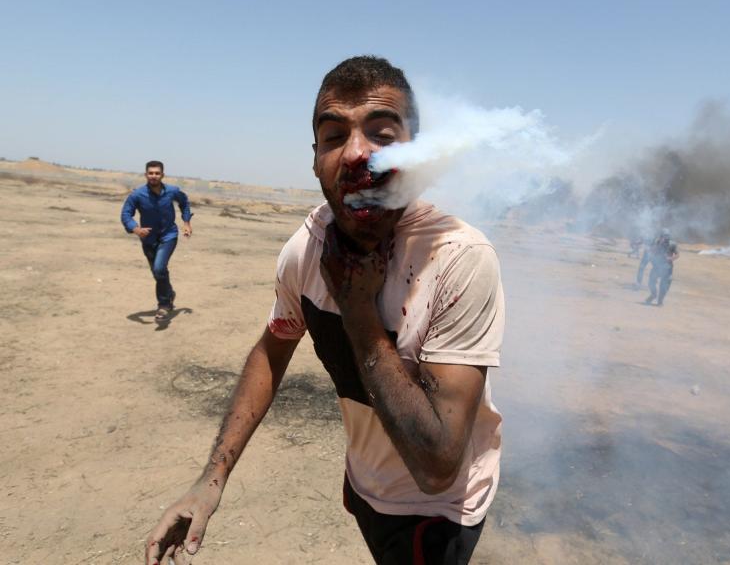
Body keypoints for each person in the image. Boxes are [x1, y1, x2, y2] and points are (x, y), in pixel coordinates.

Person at [145, 56, 505, 565]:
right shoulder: (307, 247)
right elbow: (273, 349)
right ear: (316, 158)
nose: (358, 154)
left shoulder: (460, 259)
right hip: (364, 482)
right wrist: (211, 479)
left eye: (382, 134)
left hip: (437, 513)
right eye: (334, 136)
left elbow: (438, 465)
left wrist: (357, 308)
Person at [121, 160, 192, 320]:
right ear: (146, 175)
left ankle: (164, 306)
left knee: (159, 268)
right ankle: (169, 293)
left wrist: (186, 222)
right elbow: (126, 214)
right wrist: (135, 228)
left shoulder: (172, 191)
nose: (154, 176)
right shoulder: (137, 195)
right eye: (151, 173)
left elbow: (184, 202)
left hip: (168, 236)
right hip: (148, 239)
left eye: (157, 173)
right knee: (157, 272)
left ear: (162, 175)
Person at [644, 232, 679, 306]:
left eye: (666, 237)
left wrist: (670, 258)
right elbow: (652, 251)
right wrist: (657, 245)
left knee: (664, 285)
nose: (664, 239)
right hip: (657, 266)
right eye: (662, 237)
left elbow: (677, 254)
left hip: (667, 268)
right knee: (651, 282)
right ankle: (653, 294)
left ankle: (660, 301)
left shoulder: (672, 244)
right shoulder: (657, 243)